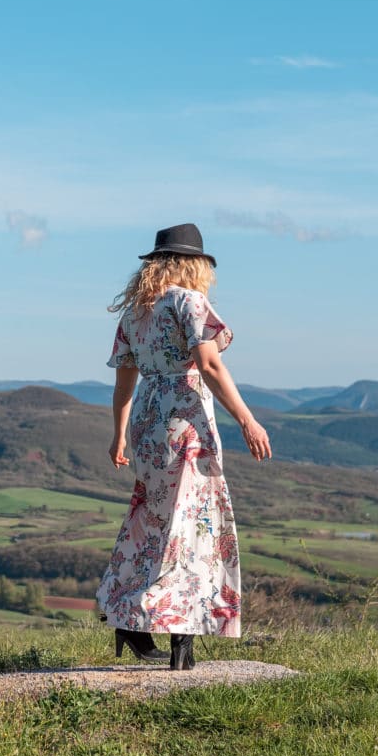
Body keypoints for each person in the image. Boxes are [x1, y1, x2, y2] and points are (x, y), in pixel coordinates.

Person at [96, 223, 272, 671]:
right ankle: (182, 635)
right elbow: (209, 365)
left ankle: (131, 618)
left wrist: (119, 434)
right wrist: (248, 420)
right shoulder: (188, 301)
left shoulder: (136, 312)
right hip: (184, 419)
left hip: (148, 424)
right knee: (192, 526)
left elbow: (123, 384)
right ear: (194, 264)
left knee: (153, 519)